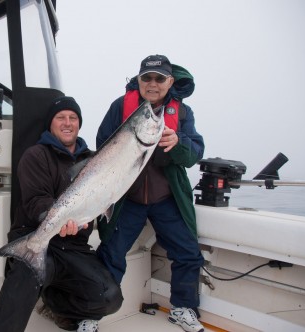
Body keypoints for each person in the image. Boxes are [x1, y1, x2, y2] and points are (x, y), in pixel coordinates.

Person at [0, 96, 123, 332]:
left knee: (109, 297)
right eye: (61, 117)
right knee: (25, 278)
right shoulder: (35, 156)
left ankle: (55, 304)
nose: (67, 122)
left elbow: (100, 199)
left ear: (79, 124)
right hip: (36, 236)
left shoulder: (93, 160)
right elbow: (36, 201)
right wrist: (57, 222)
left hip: (74, 246)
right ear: (51, 123)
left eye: (73, 118)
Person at [96, 55, 205, 332]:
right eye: (147, 78)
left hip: (167, 199)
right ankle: (92, 311)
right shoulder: (120, 107)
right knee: (110, 253)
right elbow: (102, 145)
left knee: (189, 253)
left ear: (170, 81)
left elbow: (195, 153)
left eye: (159, 78)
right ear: (139, 80)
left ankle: (182, 308)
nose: (153, 84)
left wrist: (178, 143)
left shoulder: (182, 113)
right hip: (126, 200)